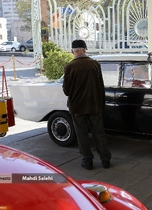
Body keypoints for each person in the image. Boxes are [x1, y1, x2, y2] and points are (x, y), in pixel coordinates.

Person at [62, 40, 111, 170]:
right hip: (94, 105)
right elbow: (101, 85)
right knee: (99, 133)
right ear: (85, 49)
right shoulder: (95, 64)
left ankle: (87, 161)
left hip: (77, 106)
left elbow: (66, 90)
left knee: (82, 134)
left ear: (73, 51)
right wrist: (101, 103)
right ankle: (105, 160)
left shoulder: (69, 67)